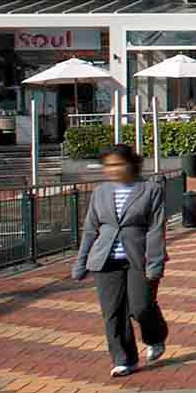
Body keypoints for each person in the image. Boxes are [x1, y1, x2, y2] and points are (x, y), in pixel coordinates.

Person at [71, 145, 169, 378]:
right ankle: (123, 359)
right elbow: (90, 229)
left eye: (118, 164)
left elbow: (156, 230)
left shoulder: (150, 190)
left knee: (141, 307)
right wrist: (81, 262)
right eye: (108, 166)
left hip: (138, 258)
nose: (113, 170)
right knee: (113, 313)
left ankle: (155, 336)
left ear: (132, 164)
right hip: (105, 260)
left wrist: (154, 264)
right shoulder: (100, 192)